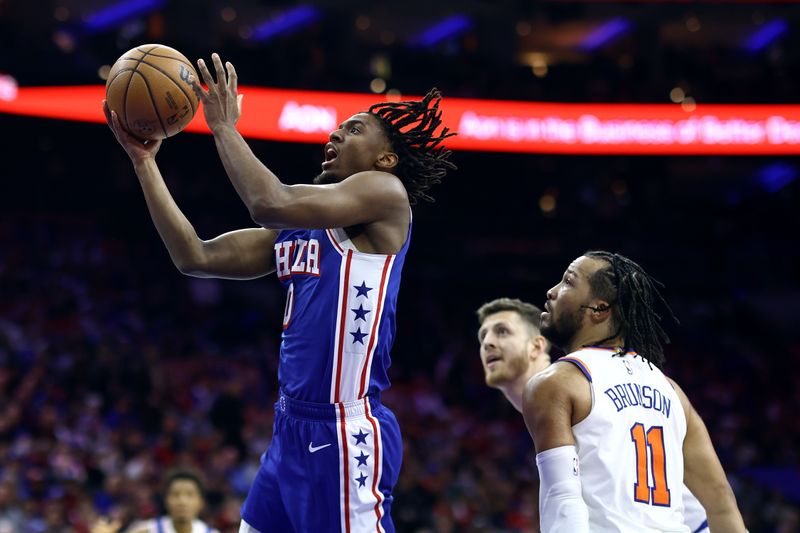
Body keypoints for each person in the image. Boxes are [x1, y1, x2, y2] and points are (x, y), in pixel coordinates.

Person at [103, 52, 456, 533]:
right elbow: (195, 257)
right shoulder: (298, 231)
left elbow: (268, 201)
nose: (335, 134)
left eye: (354, 130)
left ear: (386, 158)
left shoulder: (386, 195)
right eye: (337, 128)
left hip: (341, 428)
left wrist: (224, 127)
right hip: (288, 428)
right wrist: (143, 162)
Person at [522, 251, 746, 532]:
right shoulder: (672, 391)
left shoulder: (558, 381)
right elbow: (720, 500)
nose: (552, 292)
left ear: (600, 309)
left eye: (568, 282)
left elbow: (563, 498)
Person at [476, 297, 710, 532]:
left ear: (536, 346)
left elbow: (565, 500)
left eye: (502, 332)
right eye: (482, 335)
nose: (487, 343)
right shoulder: (562, 392)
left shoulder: (569, 391)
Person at [91, 470, 219, 533]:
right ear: (165, 499)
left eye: (189, 495)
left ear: (201, 502)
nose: (182, 501)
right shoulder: (145, 530)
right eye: (175, 494)